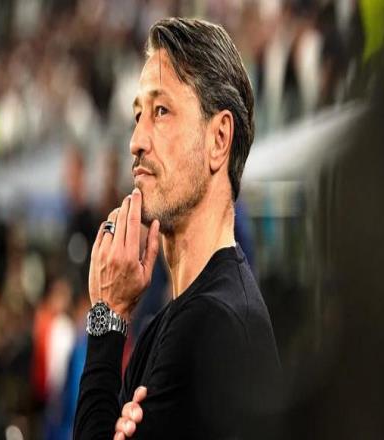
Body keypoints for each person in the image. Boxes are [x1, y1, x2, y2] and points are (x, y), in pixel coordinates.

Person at [74, 18, 281, 440]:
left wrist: (108, 317)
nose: (136, 140)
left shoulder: (213, 325)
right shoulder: (170, 322)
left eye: (161, 111)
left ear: (219, 139)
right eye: (138, 115)